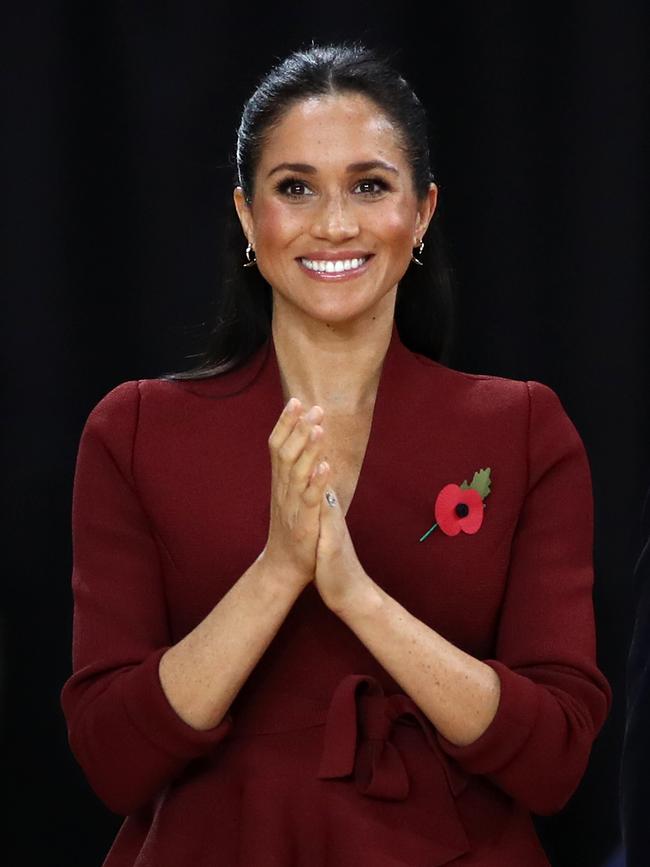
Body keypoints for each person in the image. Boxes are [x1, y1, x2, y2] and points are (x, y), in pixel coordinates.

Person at [60, 42, 612, 866]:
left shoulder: (522, 429)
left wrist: (358, 596)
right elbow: (113, 757)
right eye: (295, 188)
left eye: (369, 184)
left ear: (421, 213)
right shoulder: (136, 430)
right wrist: (280, 569)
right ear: (249, 217)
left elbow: (556, 757)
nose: (335, 223)